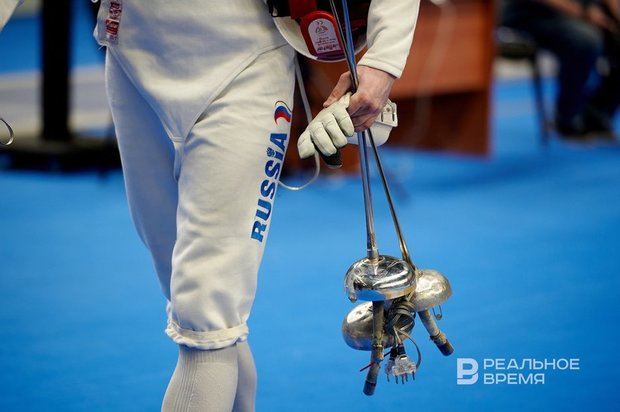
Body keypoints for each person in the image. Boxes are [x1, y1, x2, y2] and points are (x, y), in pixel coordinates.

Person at [93, 0, 420, 410]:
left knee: (205, 305)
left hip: (243, 62)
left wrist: (383, 61)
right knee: (192, 297)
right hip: (130, 50)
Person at [501, 0, 620, 139]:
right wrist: (584, 13)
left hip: (582, 13)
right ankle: (568, 117)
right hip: (533, 13)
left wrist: (614, 17)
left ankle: (597, 114)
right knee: (585, 41)